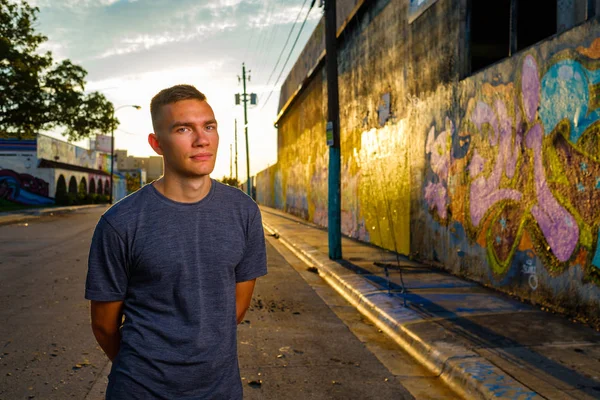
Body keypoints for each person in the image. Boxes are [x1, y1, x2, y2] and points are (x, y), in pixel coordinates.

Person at [85, 84, 267, 399]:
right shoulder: (120, 223)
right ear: (157, 144)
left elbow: (235, 308)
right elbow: (104, 325)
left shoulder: (244, 211)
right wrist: (146, 373)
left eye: (209, 126)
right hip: (139, 391)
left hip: (220, 390)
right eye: (184, 129)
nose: (202, 139)